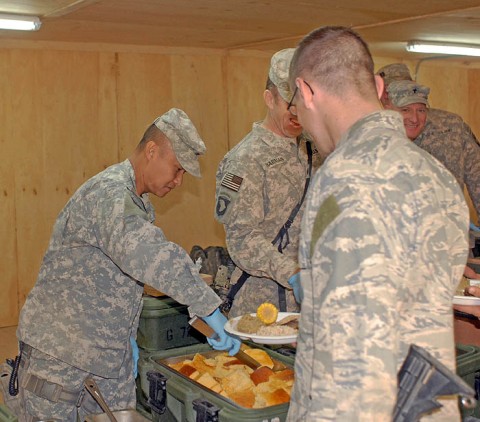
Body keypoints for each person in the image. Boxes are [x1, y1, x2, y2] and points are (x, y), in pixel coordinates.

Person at [287, 26, 469, 420]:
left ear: (306, 92)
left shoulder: (344, 180)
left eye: (296, 105)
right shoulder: (436, 175)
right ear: (378, 84)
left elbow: (352, 368)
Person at [14, 108, 241, 421]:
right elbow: (152, 255)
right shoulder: (108, 195)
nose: (178, 181)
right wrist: (207, 308)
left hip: (107, 354)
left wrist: (124, 336)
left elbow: (114, 278)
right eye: (176, 169)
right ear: (151, 151)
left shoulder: (136, 203)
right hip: (61, 356)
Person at [214, 48, 322, 318]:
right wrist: (292, 273)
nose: (297, 112)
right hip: (263, 305)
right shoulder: (246, 159)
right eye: (289, 103)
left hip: (313, 305)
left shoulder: (314, 149)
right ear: (269, 99)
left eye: (303, 103)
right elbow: (242, 238)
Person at [376, 63, 480, 219]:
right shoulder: (453, 123)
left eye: (420, 110)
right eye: (405, 109)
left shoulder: (374, 135)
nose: (414, 117)